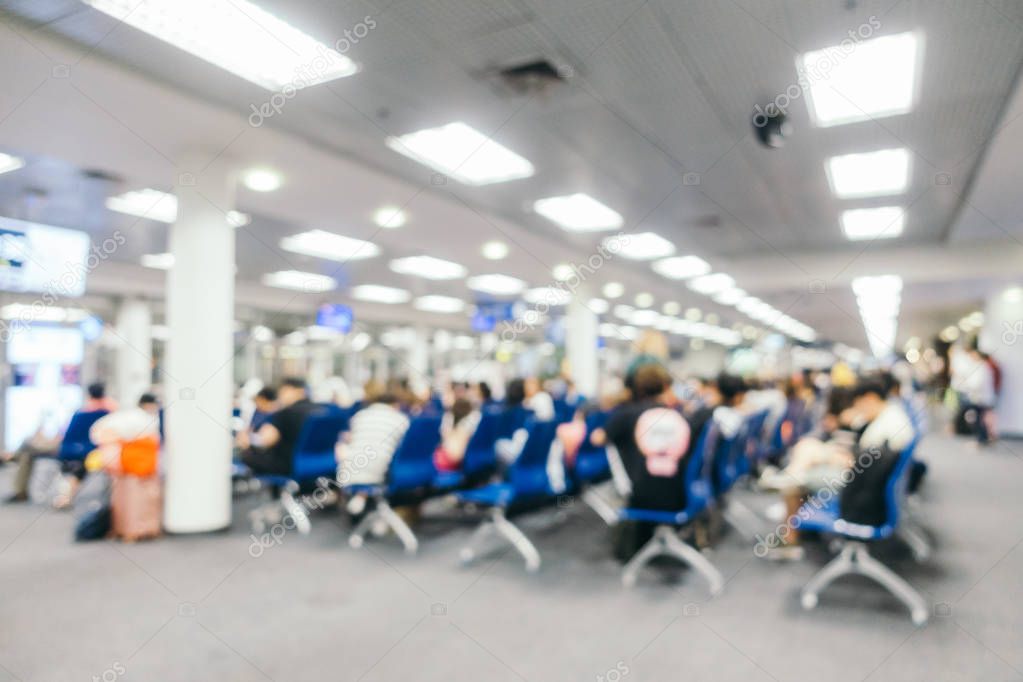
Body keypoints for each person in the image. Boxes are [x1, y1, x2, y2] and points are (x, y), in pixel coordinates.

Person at [760, 378, 914, 560]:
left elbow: (868, 466)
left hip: (859, 493)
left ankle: (790, 540)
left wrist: (840, 458)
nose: (859, 410)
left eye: (859, 405)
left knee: (796, 483)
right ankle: (788, 480)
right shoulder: (892, 417)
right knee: (809, 449)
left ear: (870, 398)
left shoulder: (887, 427)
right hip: (863, 484)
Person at [338, 392, 411, 514]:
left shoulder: (359, 416)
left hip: (350, 472)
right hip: (384, 473)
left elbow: (350, 438)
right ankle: (375, 509)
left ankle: (362, 497)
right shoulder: (401, 419)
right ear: (395, 405)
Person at [238, 378, 317, 476]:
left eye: (284, 391)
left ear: (299, 391)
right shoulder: (322, 410)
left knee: (246, 456)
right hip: (318, 465)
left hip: (288, 466)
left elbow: (263, 441)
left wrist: (247, 440)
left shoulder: (287, 412)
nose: (280, 395)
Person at [433, 398, 480, 472]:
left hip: (449, 461)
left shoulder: (459, 431)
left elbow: (455, 456)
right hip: (462, 460)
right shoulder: (469, 428)